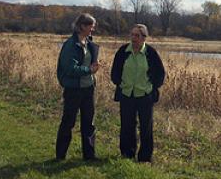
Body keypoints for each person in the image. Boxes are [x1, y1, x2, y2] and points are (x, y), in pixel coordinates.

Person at [111, 24, 165, 163]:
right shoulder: (123, 51)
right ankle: (127, 154)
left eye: (137, 35)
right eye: (132, 35)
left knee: (146, 127)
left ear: (144, 38)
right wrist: (120, 84)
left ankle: (144, 157)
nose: (133, 38)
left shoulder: (150, 53)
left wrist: (151, 87)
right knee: (127, 125)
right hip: (127, 94)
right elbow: (115, 71)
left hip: (144, 95)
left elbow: (160, 74)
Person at [55, 13, 100, 161]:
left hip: (88, 88)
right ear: (82, 26)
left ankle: (89, 156)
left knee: (89, 123)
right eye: (90, 26)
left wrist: (92, 69)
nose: (92, 29)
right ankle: (60, 155)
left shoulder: (88, 42)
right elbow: (70, 69)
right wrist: (89, 70)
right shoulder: (70, 45)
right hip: (73, 90)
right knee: (69, 122)